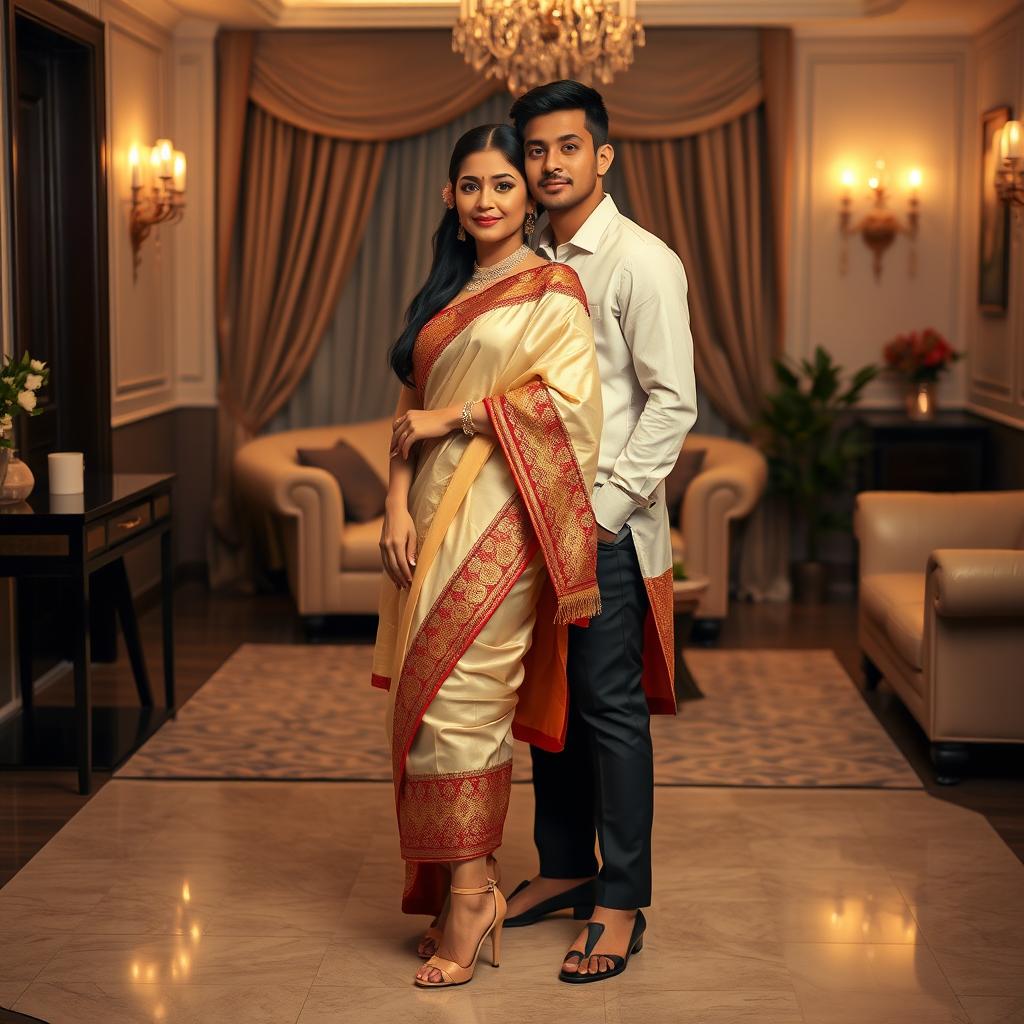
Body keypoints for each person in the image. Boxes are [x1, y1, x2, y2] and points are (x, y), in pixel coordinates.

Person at [371, 122, 604, 989]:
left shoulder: (554, 289)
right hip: (426, 515)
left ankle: (471, 892)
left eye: (505, 185)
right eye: (472, 186)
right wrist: (394, 503)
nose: (489, 201)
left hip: (506, 519)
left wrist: (460, 418)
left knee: (464, 699)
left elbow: (570, 411)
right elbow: (407, 406)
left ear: (526, 195)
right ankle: (465, 882)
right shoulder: (443, 294)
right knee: (423, 702)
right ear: (449, 198)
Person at [504, 81, 698, 983]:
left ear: (603, 155)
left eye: (567, 148)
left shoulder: (640, 262)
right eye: (536, 150)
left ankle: (621, 902)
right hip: (528, 526)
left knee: (611, 715)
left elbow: (672, 403)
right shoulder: (522, 255)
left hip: (605, 528)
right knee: (550, 706)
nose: (549, 165)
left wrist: (604, 514)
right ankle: (564, 867)